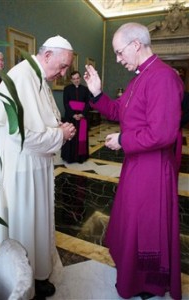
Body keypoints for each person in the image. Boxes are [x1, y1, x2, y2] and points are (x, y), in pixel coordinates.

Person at [84, 22, 184, 300]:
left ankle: (147, 283)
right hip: (138, 164)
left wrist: (124, 140)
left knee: (146, 225)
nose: (118, 59)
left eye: (119, 52)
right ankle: (133, 274)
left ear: (136, 44)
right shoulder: (142, 76)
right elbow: (118, 111)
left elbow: (162, 133)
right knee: (132, 222)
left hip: (151, 169)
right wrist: (96, 93)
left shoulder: (162, 77)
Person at [0, 35, 76, 299]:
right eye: (61, 67)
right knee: (25, 222)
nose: (62, 74)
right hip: (21, 169)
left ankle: (38, 274)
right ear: (47, 55)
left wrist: (58, 129)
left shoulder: (37, 76)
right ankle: (27, 280)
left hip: (35, 166)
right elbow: (22, 135)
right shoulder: (22, 76)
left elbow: (44, 120)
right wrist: (60, 135)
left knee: (37, 221)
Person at [61, 70, 91, 163]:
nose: (76, 80)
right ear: (71, 80)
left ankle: (80, 157)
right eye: (74, 79)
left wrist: (82, 114)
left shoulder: (85, 89)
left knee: (81, 137)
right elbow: (66, 103)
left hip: (82, 117)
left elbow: (88, 103)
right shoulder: (67, 89)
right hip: (71, 117)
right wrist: (73, 115)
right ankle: (69, 157)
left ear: (80, 78)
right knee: (71, 136)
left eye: (77, 78)